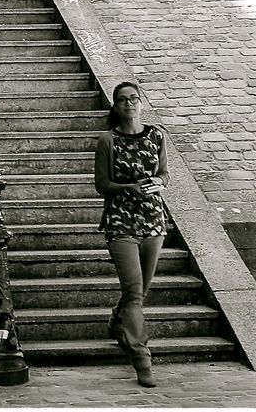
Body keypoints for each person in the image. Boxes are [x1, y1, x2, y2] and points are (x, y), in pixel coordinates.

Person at [94, 81, 168, 389]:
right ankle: (141, 358)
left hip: (153, 222)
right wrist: (129, 188)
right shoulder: (107, 140)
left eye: (134, 98)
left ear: (142, 102)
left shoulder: (157, 135)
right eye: (122, 100)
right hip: (120, 223)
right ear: (115, 107)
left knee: (139, 292)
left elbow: (165, 173)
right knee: (135, 293)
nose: (129, 104)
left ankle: (116, 321)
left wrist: (159, 183)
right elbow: (101, 184)